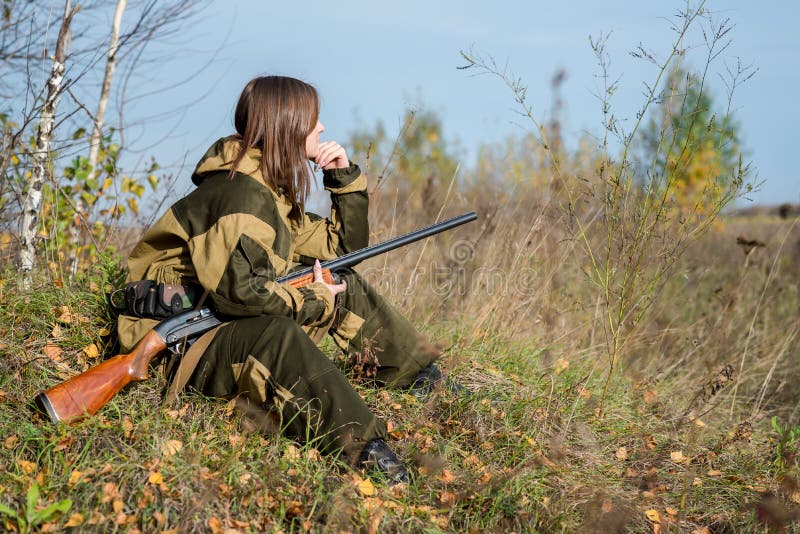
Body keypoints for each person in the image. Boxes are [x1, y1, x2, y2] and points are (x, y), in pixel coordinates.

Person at [116, 75, 447, 484]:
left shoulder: (269, 195)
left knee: (339, 279)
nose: (322, 128)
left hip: (217, 322)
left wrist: (342, 182)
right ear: (287, 125)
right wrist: (318, 300)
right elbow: (244, 296)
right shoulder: (239, 196)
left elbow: (341, 248)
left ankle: (420, 377)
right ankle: (367, 453)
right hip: (183, 342)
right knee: (277, 336)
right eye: (313, 120)